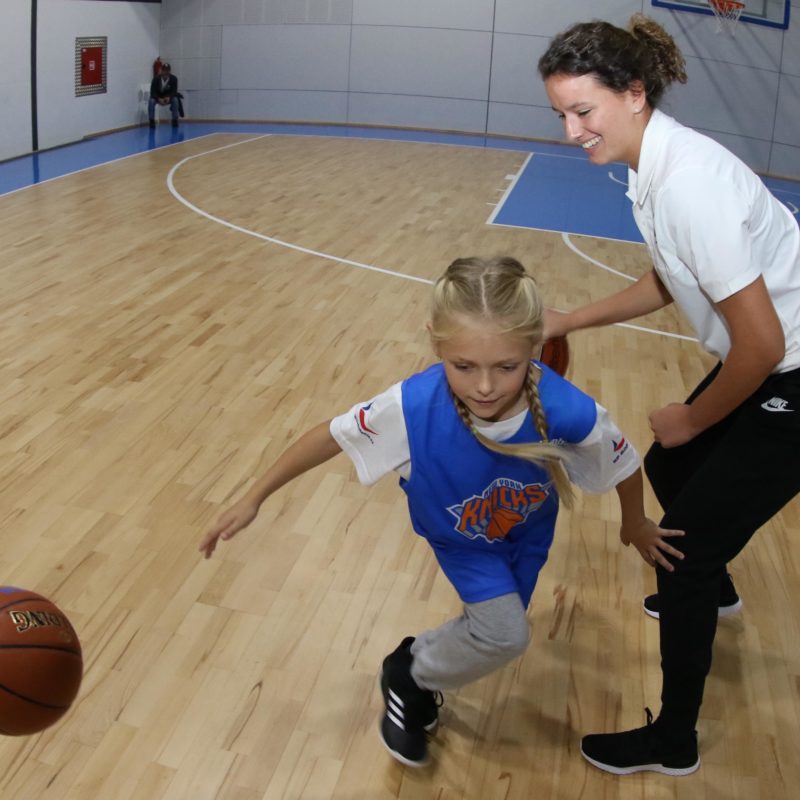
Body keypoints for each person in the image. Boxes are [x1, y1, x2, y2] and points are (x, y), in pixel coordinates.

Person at [199, 256, 683, 768]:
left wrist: (635, 522)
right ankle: (410, 676)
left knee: (495, 633)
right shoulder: (412, 407)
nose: (485, 387)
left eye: (506, 367)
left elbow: (623, 461)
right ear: (436, 343)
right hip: (463, 541)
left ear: (535, 345)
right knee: (505, 635)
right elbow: (330, 436)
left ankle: (420, 661)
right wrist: (253, 497)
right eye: (464, 366)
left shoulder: (568, 409)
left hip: (527, 535)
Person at [539, 14, 800, 777]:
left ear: (633, 93)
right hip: (772, 361)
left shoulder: (688, 184)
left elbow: (762, 346)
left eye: (582, 111)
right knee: (670, 468)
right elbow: (668, 278)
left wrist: (690, 416)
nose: (570, 131)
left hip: (789, 370)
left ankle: (673, 738)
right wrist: (571, 318)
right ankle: (713, 586)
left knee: (680, 550)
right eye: (561, 113)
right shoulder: (652, 165)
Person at [148, 62, 180, 128]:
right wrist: (158, 99)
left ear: (170, 71)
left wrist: (169, 97)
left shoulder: (174, 79)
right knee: (151, 101)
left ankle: (175, 120)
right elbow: (152, 92)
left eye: (167, 71)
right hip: (158, 97)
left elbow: (174, 92)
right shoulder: (155, 79)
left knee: (175, 100)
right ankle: (151, 121)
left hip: (168, 97)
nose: (166, 72)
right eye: (164, 70)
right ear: (161, 71)